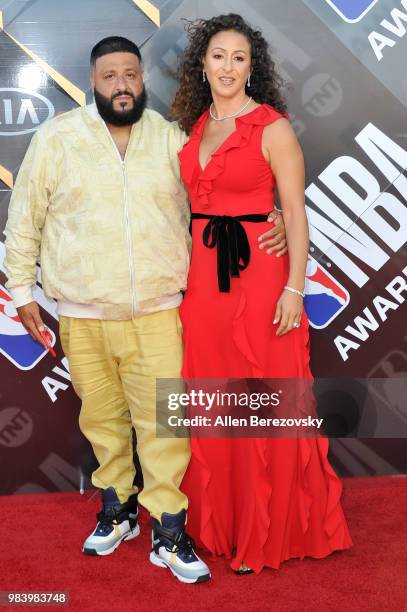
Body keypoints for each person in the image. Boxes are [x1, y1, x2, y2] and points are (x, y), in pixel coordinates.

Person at [4, 35, 287, 583]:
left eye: (130, 74)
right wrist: (20, 292)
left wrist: (268, 220)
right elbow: (25, 218)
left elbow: (219, 196)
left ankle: (169, 527)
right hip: (82, 314)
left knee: (165, 426)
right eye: (110, 76)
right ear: (92, 82)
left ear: (142, 80)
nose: (122, 85)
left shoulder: (174, 138)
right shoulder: (57, 138)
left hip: (159, 311)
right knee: (103, 421)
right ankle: (118, 507)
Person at [171, 14, 353, 574]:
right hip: (204, 282)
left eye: (239, 58)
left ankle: (263, 532)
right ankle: (216, 525)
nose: (228, 67)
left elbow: (296, 215)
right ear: (203, 63)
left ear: (254, 67)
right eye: (219, 56)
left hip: (261, 278)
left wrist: (295, 288)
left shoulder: (272, 127)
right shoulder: (193, 125)